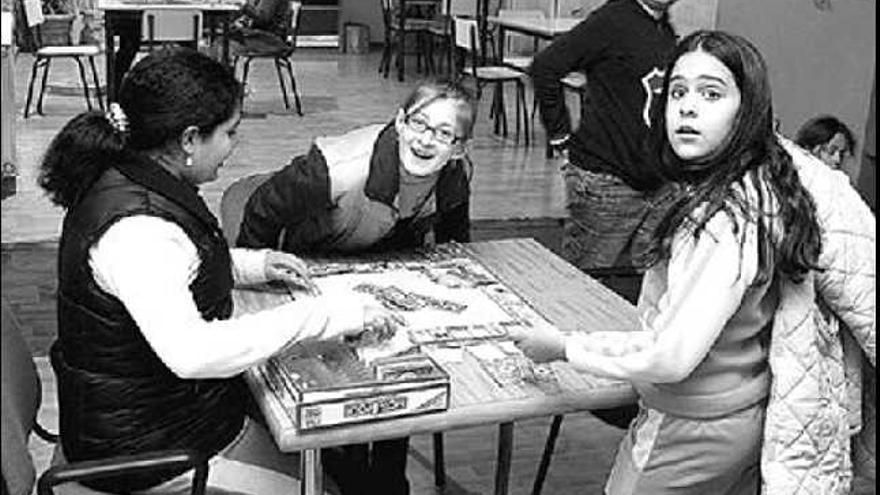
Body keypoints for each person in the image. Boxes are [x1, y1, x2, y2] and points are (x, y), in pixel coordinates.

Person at [511, 30, 875, 494]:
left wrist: (564, 346)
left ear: (746, 111)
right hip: (743, 413)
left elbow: (671, 356)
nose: (686, 106)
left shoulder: (724, 219)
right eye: (677, 91)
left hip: (690, 424)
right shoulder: (756, 187)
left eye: (711, 93)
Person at [37, 48, 392, 495]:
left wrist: (253, 264)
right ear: (189, 139)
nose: (233, 146)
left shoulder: (131, 174)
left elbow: (181, 262)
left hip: (155, 415)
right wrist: (322, 314)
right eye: (229, 133)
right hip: (144, 449)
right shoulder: (137, 230)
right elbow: (194, 354)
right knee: (320, 483)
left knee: (326, 457)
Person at [236, 79, 478, 495]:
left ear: (457, 148)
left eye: (443, 133)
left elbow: (456, 242)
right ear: (399, 122)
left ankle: (385, 481)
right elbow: (261, 209)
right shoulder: (334, 168)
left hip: (378, 268)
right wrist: (256, 282)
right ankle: (338, 473)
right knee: (330, 376)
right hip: (310, 266)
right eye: (419, 124)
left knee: (396, 360)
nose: (425, 140)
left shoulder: (456, 175)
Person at [529, 0, 679, 429]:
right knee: (580, 288)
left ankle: (613, 390)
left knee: (644, 294)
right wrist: (560, 135)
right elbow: (545, 67)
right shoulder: (614, 18)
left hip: (656, 187)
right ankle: (559, 395)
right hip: (605, 184)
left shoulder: (663, 30)